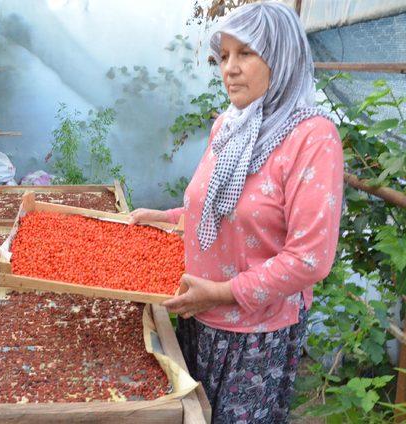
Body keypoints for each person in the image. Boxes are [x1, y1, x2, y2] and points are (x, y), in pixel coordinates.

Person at [129, 2, 343, 423]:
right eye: (224, 55)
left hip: (255, 336)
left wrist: (222, 293)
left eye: (245, 53)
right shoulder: (230, 124)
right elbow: (215, 207)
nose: (230, 68)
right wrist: (169, 219)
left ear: (281, 57)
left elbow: (310, 260)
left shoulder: (312, 138)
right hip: (197, 315)